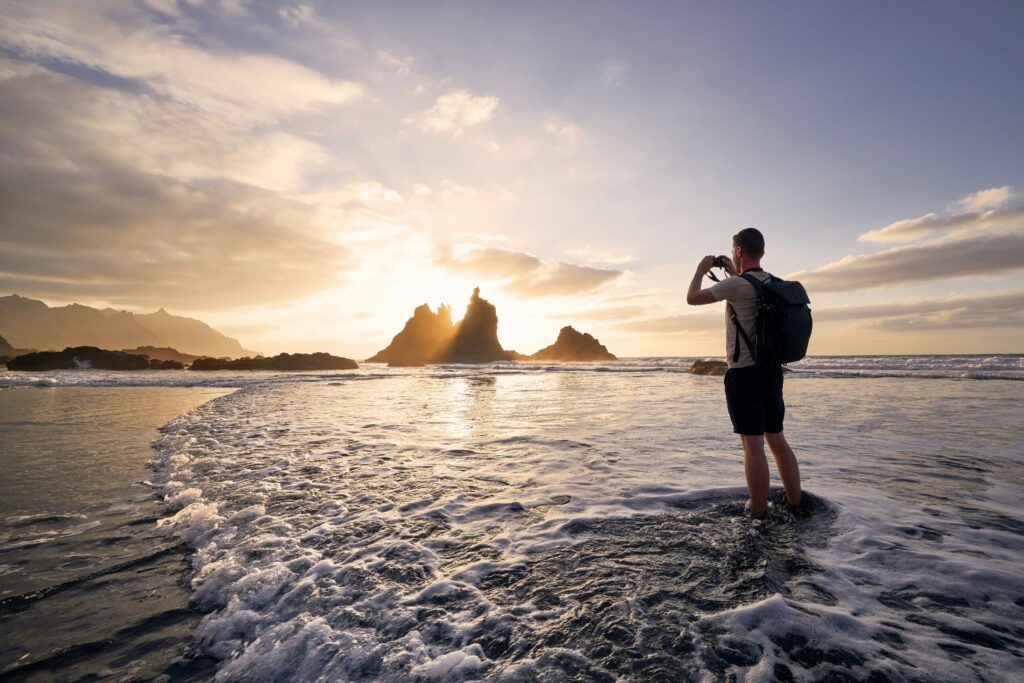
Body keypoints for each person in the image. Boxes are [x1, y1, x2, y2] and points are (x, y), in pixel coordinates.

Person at [685, 227, 802, 518]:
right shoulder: (773, 283)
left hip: (744, 375)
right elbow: (746, 286)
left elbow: (692, 297)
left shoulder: (736, 286)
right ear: (761, 251)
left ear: (738, 251)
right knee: (777, 439)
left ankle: (759, 513)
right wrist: (732, 269)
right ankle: (796, 502)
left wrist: (701, 270)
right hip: (772, 372)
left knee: (752, 445)